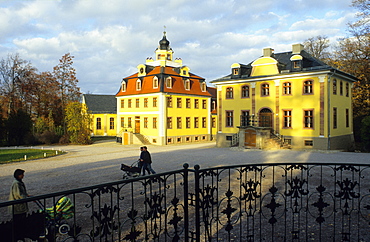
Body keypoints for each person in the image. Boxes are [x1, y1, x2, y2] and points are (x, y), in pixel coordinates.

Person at [9, 169, 30, 241]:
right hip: (18, 207)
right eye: (22, 174)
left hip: (19, 205)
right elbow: (18, 195)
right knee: (19, 221)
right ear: (18, 175)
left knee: (20, 221)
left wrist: (27, 195)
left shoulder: (18, 182)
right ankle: (18, 236)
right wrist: (26, 197)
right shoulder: (16, 183)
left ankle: (20, 235)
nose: (23, 176)